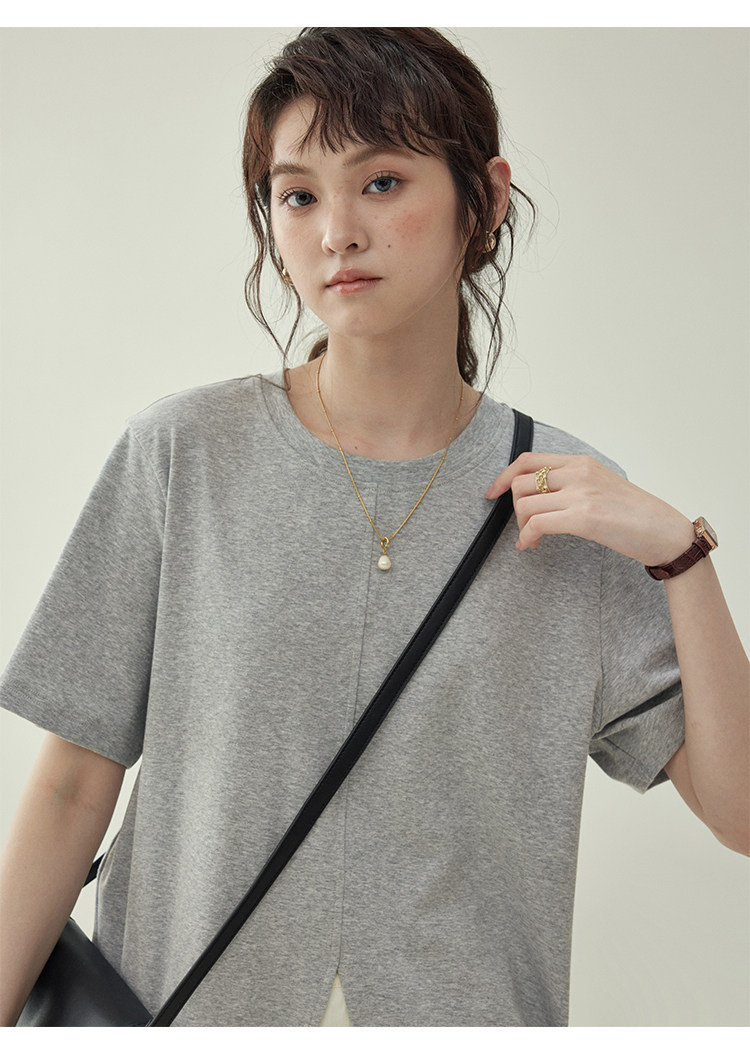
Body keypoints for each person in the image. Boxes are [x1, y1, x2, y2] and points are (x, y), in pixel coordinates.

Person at [0, 26, 747, 1029]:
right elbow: (69, 788)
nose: (337, 232)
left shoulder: (566, 500)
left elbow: (742, 813)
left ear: (484, 199)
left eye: (382, 183)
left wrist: (683, 558)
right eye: (298, 195)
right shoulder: (182, 456)